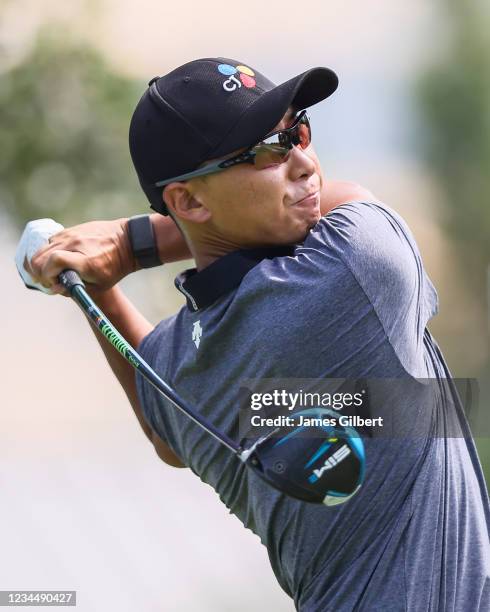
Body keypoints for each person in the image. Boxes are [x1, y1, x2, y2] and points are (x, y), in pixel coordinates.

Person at [23, 57, 489, 610]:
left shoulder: (179, 378)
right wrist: (131, 243)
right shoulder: (351, 270)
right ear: (189, 202)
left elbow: (162, 431)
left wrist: (96, 285)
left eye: (299, 131)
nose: (304, 164)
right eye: (268, 150)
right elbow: (351, 196)